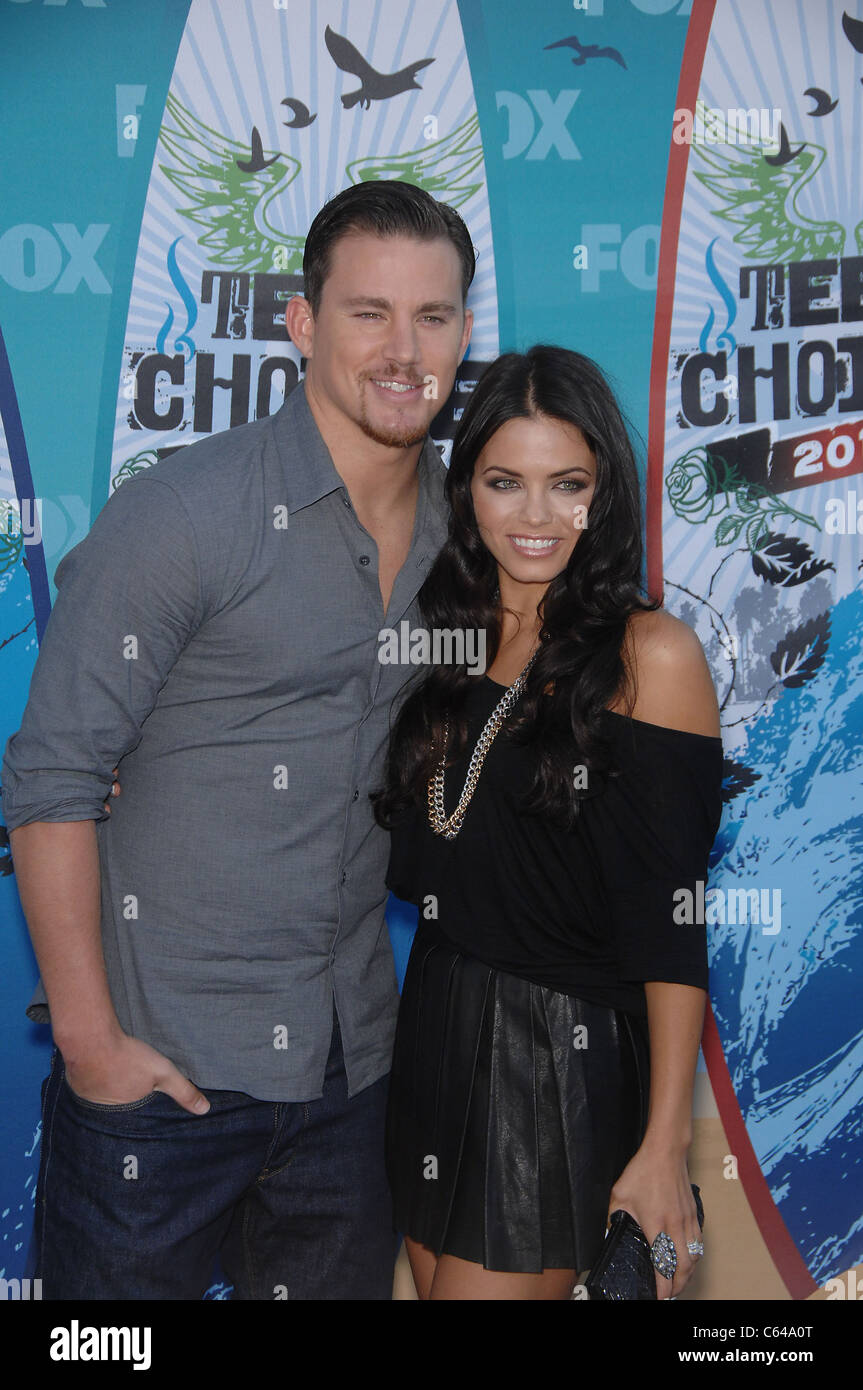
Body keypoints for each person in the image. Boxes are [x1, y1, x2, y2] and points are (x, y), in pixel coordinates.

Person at [0, 180, 473, 1300]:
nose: (404, 351)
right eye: (368, 313)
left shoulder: (472, 532)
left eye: (434, 317)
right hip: (160, 1081)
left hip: (352, 1075)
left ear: (463, 330)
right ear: (302, 324)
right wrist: (92, 1047)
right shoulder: (187, 513)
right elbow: (51, 777)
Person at [373, 345, 723, 1301]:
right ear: (466, 491)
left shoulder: (650, 654)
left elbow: (672, 923)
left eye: (565, 485)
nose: (534, 517)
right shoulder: (444, 636)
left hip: (553, 1060)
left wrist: (661, 1147)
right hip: (434, 1028)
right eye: (504, 482)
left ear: (600, 493)